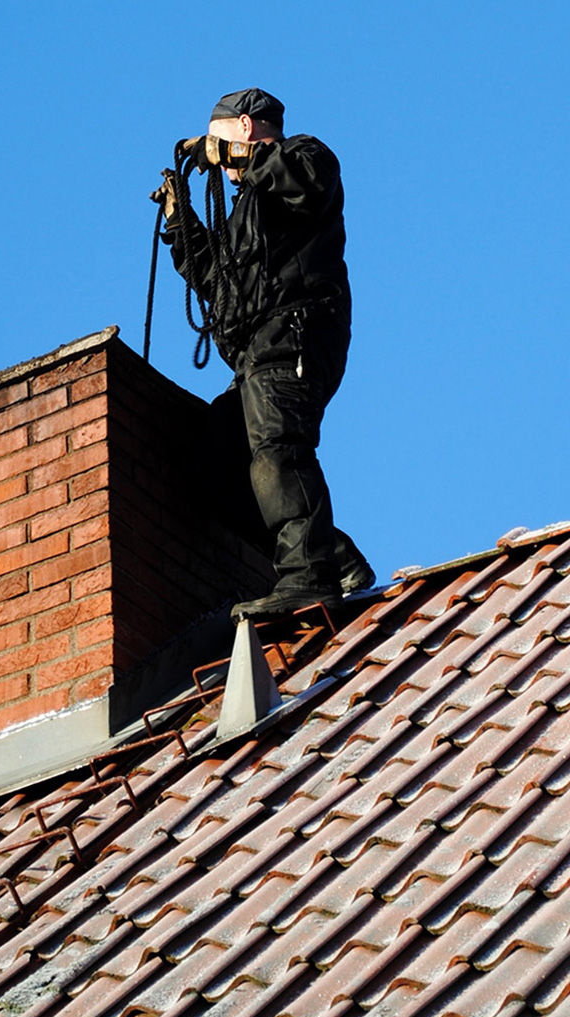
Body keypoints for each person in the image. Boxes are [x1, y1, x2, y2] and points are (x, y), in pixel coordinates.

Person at [155, 87, 374, 620]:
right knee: (215, 464)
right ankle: (334, 557)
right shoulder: (244, 212)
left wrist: (226, 155)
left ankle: (308, 577)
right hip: (255, 352)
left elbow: (298, 183)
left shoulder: (306, 156)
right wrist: (182, 220)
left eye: (220, 142)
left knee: (278, 447)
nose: (217, 164)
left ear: (246, 129)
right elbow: (219, 282)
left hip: (294, 331)